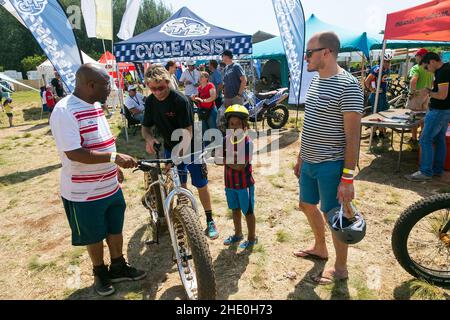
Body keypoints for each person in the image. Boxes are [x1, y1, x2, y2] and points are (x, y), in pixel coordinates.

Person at [49, 63, 146, 297]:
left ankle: (118, 265)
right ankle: (100, 272)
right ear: (90, 85)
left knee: (115, 228)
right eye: (106, 84)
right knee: (93, 234)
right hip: (84, 192)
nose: (110, 89)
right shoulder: (65, 111)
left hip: (109, 185)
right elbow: (74, 152)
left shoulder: (94, 106)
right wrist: (114, 157)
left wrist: (113, 167)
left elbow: (101, 141)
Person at [293, 32, 363, 284]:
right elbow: (311, 124)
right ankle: (320, 248)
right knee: (305, 205)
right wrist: (301, 157)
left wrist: (347, 178)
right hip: (310, 162)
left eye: (309, 53)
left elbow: (353, 137)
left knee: (334, 216)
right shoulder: (316, 81)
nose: (305, 58)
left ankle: (341, 268)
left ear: (326, 53)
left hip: (331, 165)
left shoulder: (348, 85)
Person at [141, 65, 219, 240]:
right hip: (170, 146)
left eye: (160, 87)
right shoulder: (151, 102)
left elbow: (188, 132)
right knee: (180, 185)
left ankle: (209, 220)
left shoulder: (181, 101)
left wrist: (175, 158)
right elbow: (145, 127)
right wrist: (149, 139)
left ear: (168, 82)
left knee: (200, 184)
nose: (157, 92)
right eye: (152, 88)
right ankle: (187, 220)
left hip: (192, 146)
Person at [215, 105, 257, 249]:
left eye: (238, 124)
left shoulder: (247, 143)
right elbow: (217, 160)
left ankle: (252, 238)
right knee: (235, 209)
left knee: (248, 211)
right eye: (231, 124)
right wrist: (229, 158)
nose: (234, 127)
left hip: (244, 185)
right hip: (230, 184)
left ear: (245, 125)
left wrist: (225, 158)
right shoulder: (225, 139)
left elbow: (240, 166)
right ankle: (238, 234)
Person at [405, 52, 450, 182]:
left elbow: (442, 95)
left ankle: (425, 171)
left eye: (426, 67)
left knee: (425, 139)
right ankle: (437, 170)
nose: (427, 70)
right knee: (439, 139)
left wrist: (428, 92)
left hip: (439, 111)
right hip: (444, 111)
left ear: (431, 61)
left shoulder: (443, 72)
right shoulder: (444, 70)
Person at [406, 48, 434, 144]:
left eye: (416, 56)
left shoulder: (416, 67)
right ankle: (422, 135)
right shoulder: (430, 68)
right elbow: (433, 82)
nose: (415, 58)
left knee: (413, 116)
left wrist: (412, 92)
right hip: (427, 94)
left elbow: (413, 81)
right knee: (423, 117)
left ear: (421, 57)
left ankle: (414, 138)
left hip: (417, 95)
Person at [364, 53, 392, 140]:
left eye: (389, 61)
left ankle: (381, 132)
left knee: (383, 114)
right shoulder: (377, 69)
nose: (388, 63)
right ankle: (373, 133)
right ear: (382, 61)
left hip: (383, 95)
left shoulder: (386, 70)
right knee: (376, 115)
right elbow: (367, 81)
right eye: (386, 61)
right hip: (377, 96)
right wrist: (373, 90)